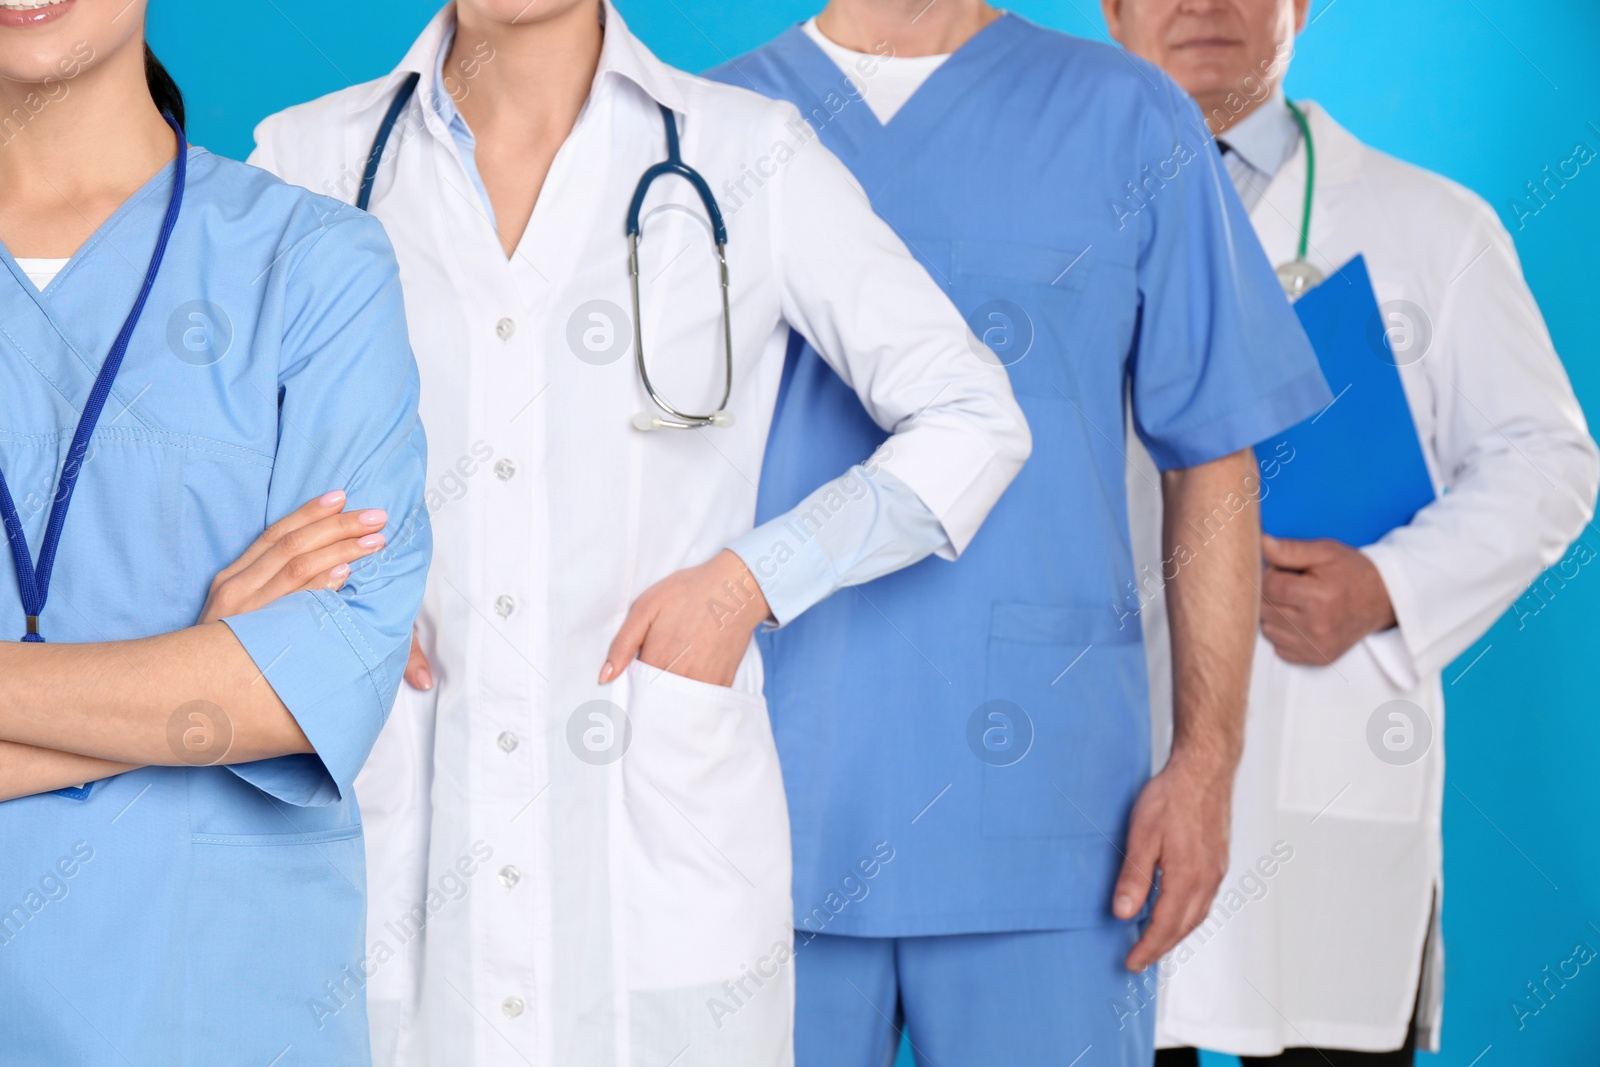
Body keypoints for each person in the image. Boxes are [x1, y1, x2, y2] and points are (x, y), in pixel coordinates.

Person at [249, 1, 1032, 1063]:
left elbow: (972, 417)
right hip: (396, 818)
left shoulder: (745, 155)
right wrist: (313, 587)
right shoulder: (310, 158)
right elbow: (210, 456)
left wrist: (753, 579)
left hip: (658, 821)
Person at [708, 2, 1332, 1062]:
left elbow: (1212, 452)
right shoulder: (709, 126)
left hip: (1050, 813)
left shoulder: (1126, 117)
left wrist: (1206, 759)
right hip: (754, 794)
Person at [1104, 1, 1600, 1063]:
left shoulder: (1432, 225)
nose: (1201, 4)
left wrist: (1386, 584)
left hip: (1323, 763)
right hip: (1107, 785)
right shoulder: (1050, 222)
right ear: (1110, 7)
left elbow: (1549, 457)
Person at [0, 1, 430, 1063]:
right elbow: (244, 689)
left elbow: (311, 680)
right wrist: (198, 670)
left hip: (216, 1015)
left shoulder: (317, 268)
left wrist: (258, 682)